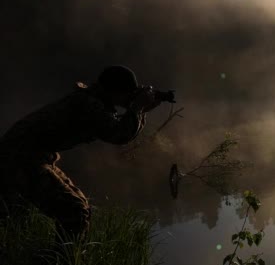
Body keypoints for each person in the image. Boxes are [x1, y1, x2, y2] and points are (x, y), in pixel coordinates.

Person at [0, 65, 163, 238]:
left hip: (30, 155)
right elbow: (118, 135)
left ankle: (57, 260)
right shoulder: (88, 104)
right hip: (20, 157)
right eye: (128, 93)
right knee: (75, 211)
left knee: (80, 207)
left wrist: (140, 111)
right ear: (114, 91)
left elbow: (120, 129)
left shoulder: (92, 100)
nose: (130, 97)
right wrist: (137, 109)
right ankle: (60, 263)